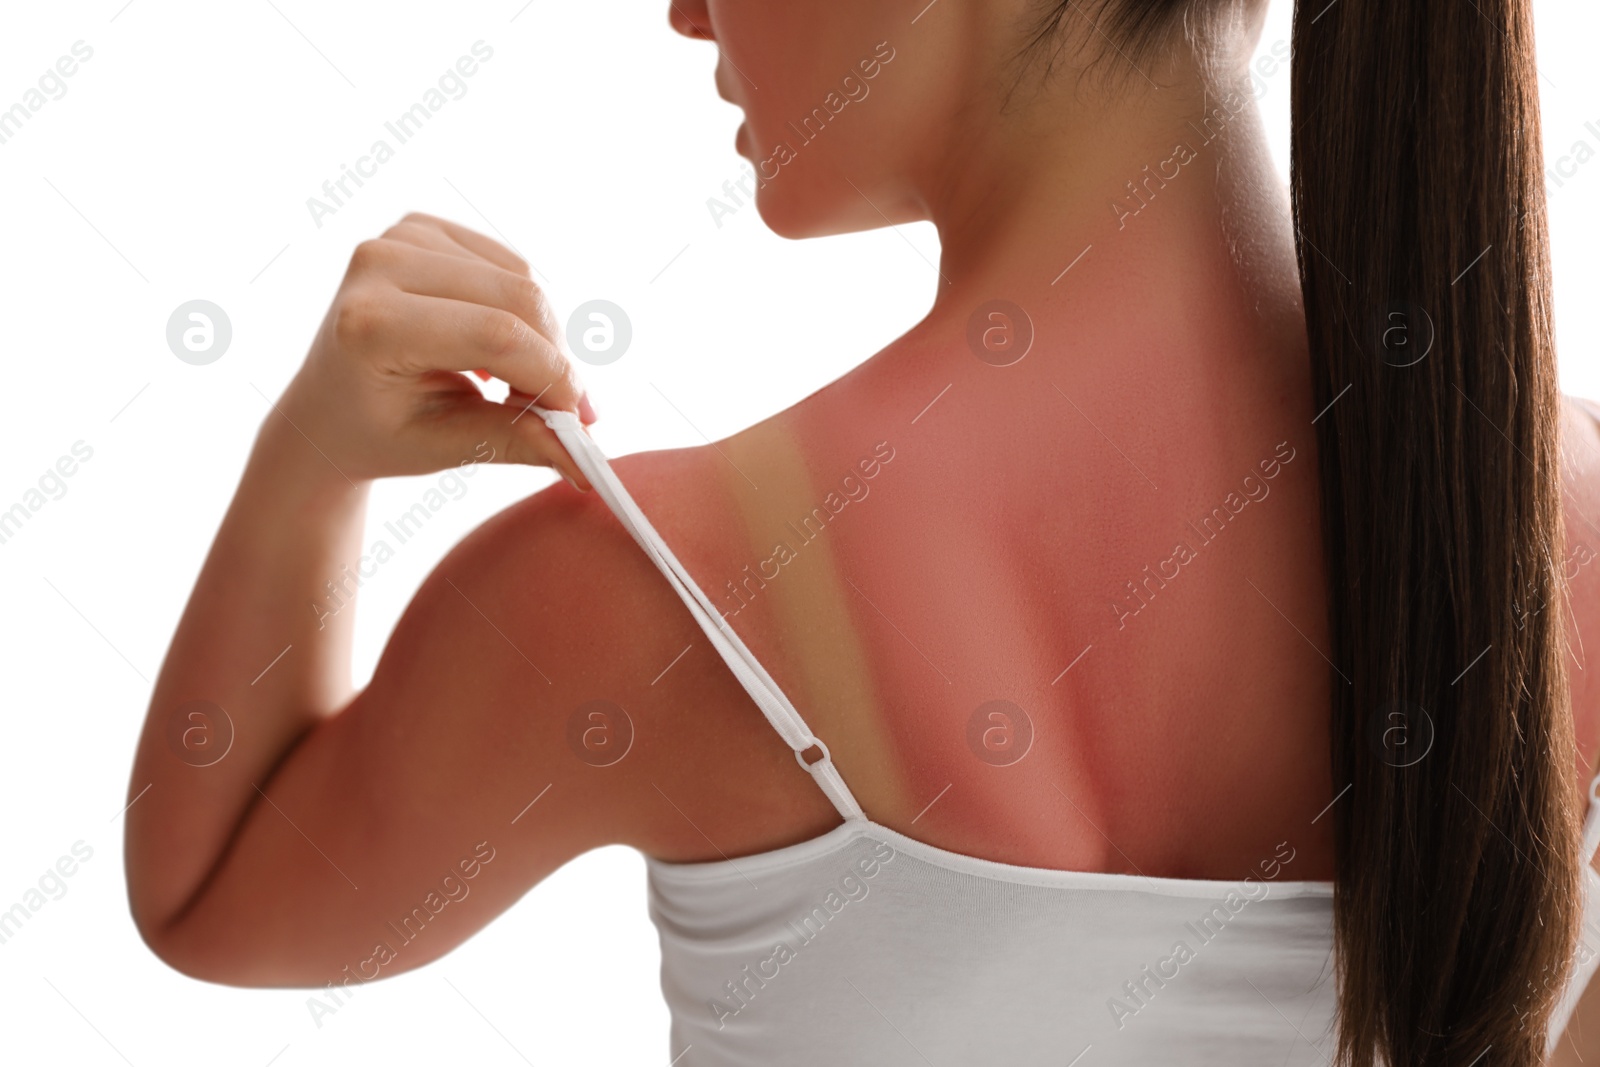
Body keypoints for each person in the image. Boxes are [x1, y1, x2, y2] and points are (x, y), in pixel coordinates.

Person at [123, 0, 1600, 1063]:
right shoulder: (1573, 537)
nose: (684, 14)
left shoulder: (666, 587)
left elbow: (213, 898)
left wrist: (309, 461)